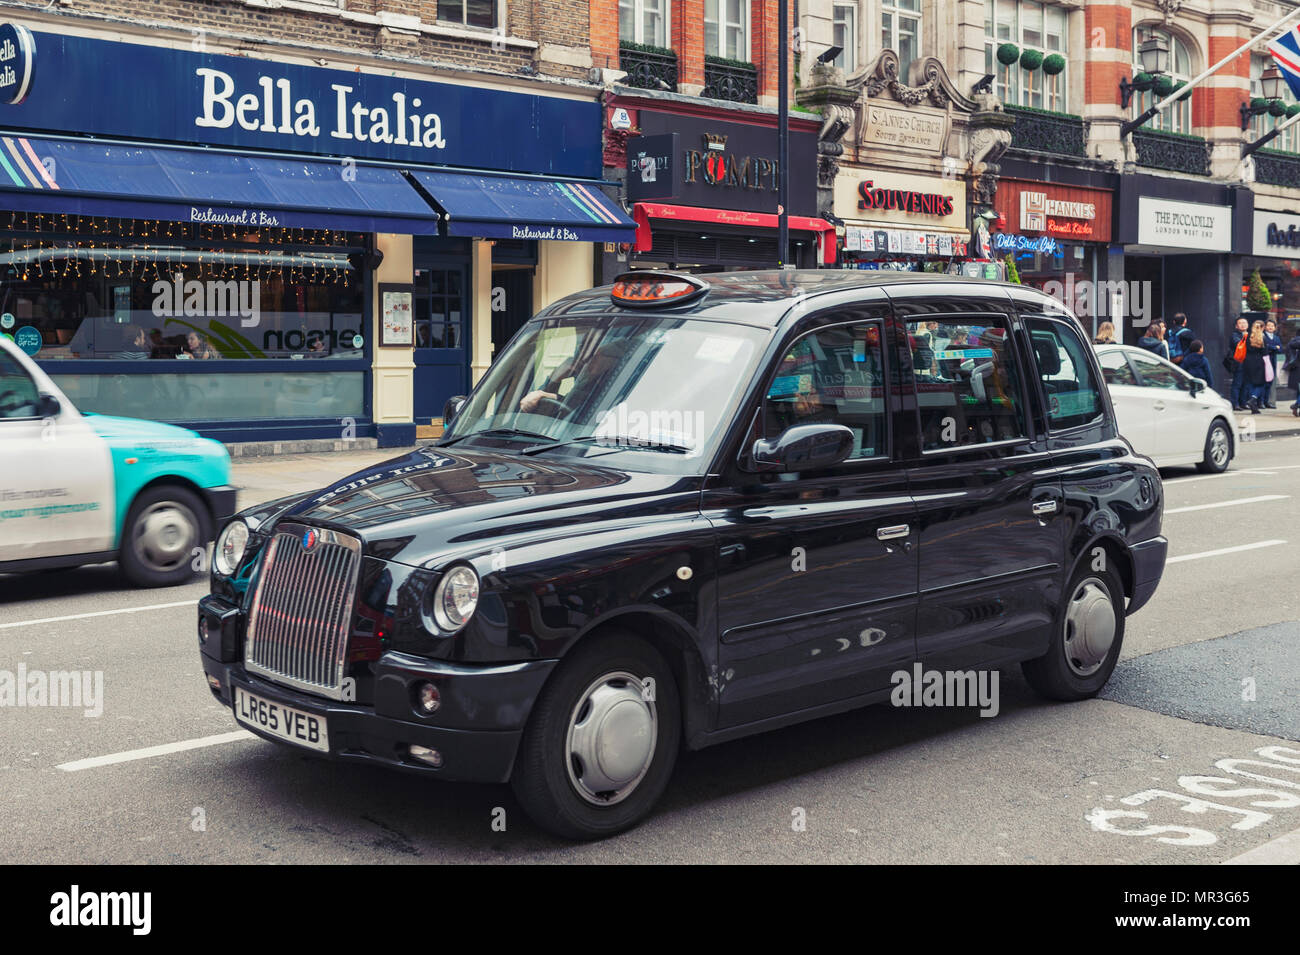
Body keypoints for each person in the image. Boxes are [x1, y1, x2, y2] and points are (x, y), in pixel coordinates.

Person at [1243, 321, 1269, 414]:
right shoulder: (1263, 338)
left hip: (1248, 361)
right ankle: (1253, 399)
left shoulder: (1248, 337)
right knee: (1261, 383)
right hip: (1259, 362)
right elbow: (1265, 352)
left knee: (1251, 383)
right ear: (1262, 327)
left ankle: (1253, 408)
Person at [1225, 317, 1250, 410]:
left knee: (1246, 384)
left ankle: (1243, 403)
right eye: (1240, 323)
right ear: (1236, 326)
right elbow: (1239, 345)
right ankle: (1235, 404)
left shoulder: (1250, 334)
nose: (1243, 324)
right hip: (1239, 362)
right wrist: (1246, 337)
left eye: (1245, 322)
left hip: (1248, 362)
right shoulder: (1235, 335)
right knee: (1237, 383)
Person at [1263, 319, 1283, 408]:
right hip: (1265, 361)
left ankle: (1267, 401)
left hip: (1273, 361)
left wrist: (1273, 348)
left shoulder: (1276, 337)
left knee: (1270, 383)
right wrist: (1275, 347)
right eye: (1269, 325)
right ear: (1265, 327)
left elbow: (1280, 349)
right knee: (1264, 382)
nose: (1270, 327)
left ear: (1275, 328)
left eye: (1272, 326)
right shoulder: (1263, 336)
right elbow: (1265, 347)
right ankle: (1261, 402)